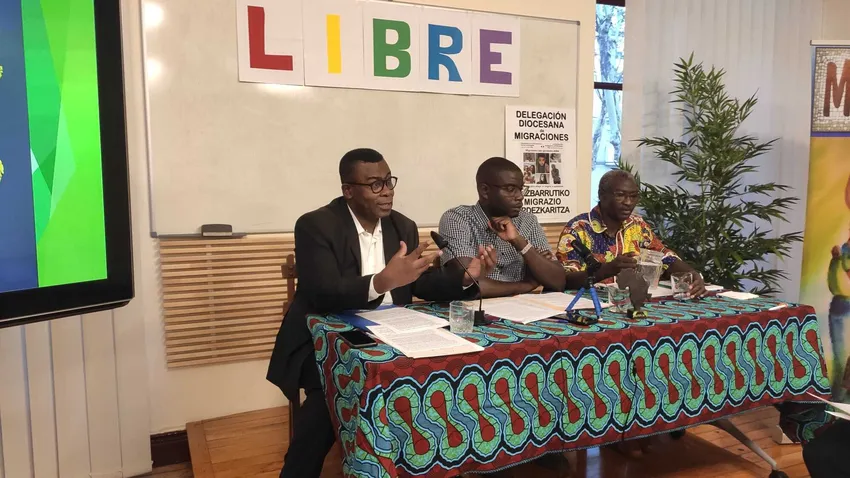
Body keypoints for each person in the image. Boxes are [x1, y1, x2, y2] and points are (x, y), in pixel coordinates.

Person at [266, 148, 496, 478]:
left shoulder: (403, 226)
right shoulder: (316, 225)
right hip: (324, 339)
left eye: (389, 181)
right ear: (348, 190)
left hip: (393, 334)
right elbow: (321, 291)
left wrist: (464, 277)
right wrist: (380, 282)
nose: (387, 191)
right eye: (375, 184)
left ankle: (429, 463)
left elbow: (421, 283)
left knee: (450, 372)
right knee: (332, 392)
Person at [556, 169, 706, 295]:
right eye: (620, 195)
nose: (628, 202)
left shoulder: (637, 225)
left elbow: (665, 257)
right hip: (587, 304)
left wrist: (692, 274)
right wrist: (605, 270)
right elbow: (565, 280)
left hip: (630, 303)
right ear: (602, 195)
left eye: (633, 196)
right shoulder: (578, 229)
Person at [438, 157, 566, 298]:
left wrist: (519, 242)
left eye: (521, 189)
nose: (520, 197)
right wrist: (526, 285)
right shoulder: (458, 218)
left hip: (523, 307)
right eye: (511, 189)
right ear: (484, 191)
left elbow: (558, 281)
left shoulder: (527, 220)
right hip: (476, 308)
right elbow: (467, 284)